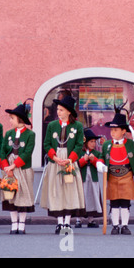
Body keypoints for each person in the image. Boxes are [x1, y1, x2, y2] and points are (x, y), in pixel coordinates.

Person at [40, 95, 86, 234]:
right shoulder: (52, 125)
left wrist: (70, 159)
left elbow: (79, 145)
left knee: (69, 191)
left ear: (69, 112)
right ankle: (59, 223)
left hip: (69, 161)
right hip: (56, 161)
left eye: (61, 110)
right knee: (57, 191)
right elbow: (47, 143)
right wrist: (54, 157)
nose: (58, 112)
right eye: (58, 110)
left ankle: (67, 222)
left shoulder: (77, 126)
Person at [96, 106, 134, 235]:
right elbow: (101, 157)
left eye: (116, 130)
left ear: (124, 131)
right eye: (111, 129)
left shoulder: (130, 143)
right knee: (114, 201)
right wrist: (100, 165)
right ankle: (115, 225)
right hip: (112, 175)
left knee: (125, 201)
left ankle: (124, 225)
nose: (112, 132)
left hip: (126, 174)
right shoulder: (107, 145)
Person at [0, 100, 35, 234]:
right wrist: (6, 167)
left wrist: (14, 165)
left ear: (20, 119)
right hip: (8, 169)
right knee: (11, 195)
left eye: (12, 118)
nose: (10, 121)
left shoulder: (30, 134)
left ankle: (22, 223)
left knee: (23, 195)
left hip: (22, 168)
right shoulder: (9, 133)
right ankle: (14, 223)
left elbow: (27, 152)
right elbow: (2, 150)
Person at [75, 129, 102, 228]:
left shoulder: (97, 153)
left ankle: (91, 218)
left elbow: (99, 165)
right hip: (82, 178)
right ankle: (79, 219)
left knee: (92, 196)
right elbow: (76, 165)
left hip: (93, 178)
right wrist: (84, 160)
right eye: (91, 141)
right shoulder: (79, 152)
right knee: (82, 197)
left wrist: (93, 159)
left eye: (94, 141)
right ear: (85, 142)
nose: (94, 144)